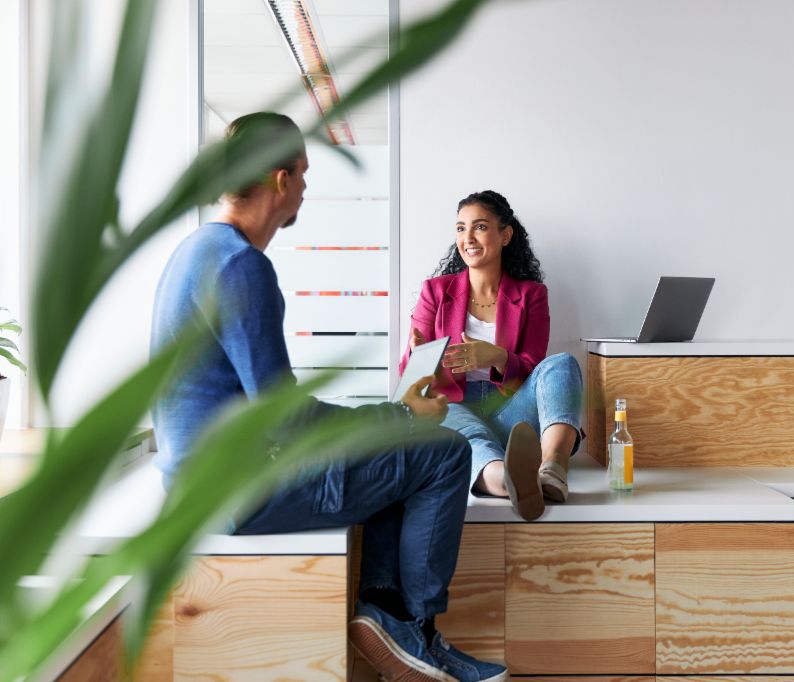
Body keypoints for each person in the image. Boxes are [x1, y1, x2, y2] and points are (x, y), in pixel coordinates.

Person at [150, 113, 507, 682]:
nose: (306, 190)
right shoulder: (243, 266)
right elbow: (286, 418)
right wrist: (398, 414)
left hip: (201, 481)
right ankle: (415, 634)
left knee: (406, 455)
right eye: (303, 175)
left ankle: (385, 615)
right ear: (278, 180)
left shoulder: (199, 250)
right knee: (443, 453)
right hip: (240, 491)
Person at [400, 190, 583, 521]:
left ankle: (552, 468)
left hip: (512, 411)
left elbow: (531, 367)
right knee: (467, 438)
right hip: (453, 406)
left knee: (562, 364)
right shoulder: (435, 292)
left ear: (506, 234)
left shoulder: (532, 295)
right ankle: (509, 482)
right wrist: (417, 359)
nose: (467, 238)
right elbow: (409, 383)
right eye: (460, 228)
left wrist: (496, 356)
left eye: (480, 227)